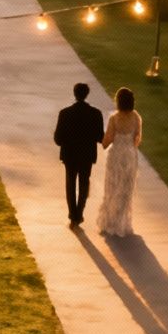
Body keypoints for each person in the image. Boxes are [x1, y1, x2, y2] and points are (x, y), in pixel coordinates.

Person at [53, 81, 104, 229]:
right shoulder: (96, 114)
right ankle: (79, 214)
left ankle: (72, 215)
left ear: (75, 94)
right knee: (84, 183)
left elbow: (58, 139)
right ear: (87, 94)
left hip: (69, 155)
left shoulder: (65, 113)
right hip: (87, 155)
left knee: (70, 184)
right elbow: (100, 137)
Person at [98, 86, 143, 238]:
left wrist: (103, 142)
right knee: (125, 190)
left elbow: (107, 141)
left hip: (116, 156)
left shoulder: (114, 119)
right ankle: (122, 222)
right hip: (129, 156)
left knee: (112, 188)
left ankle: (110, 222)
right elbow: (137, 139)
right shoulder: (136, 117)